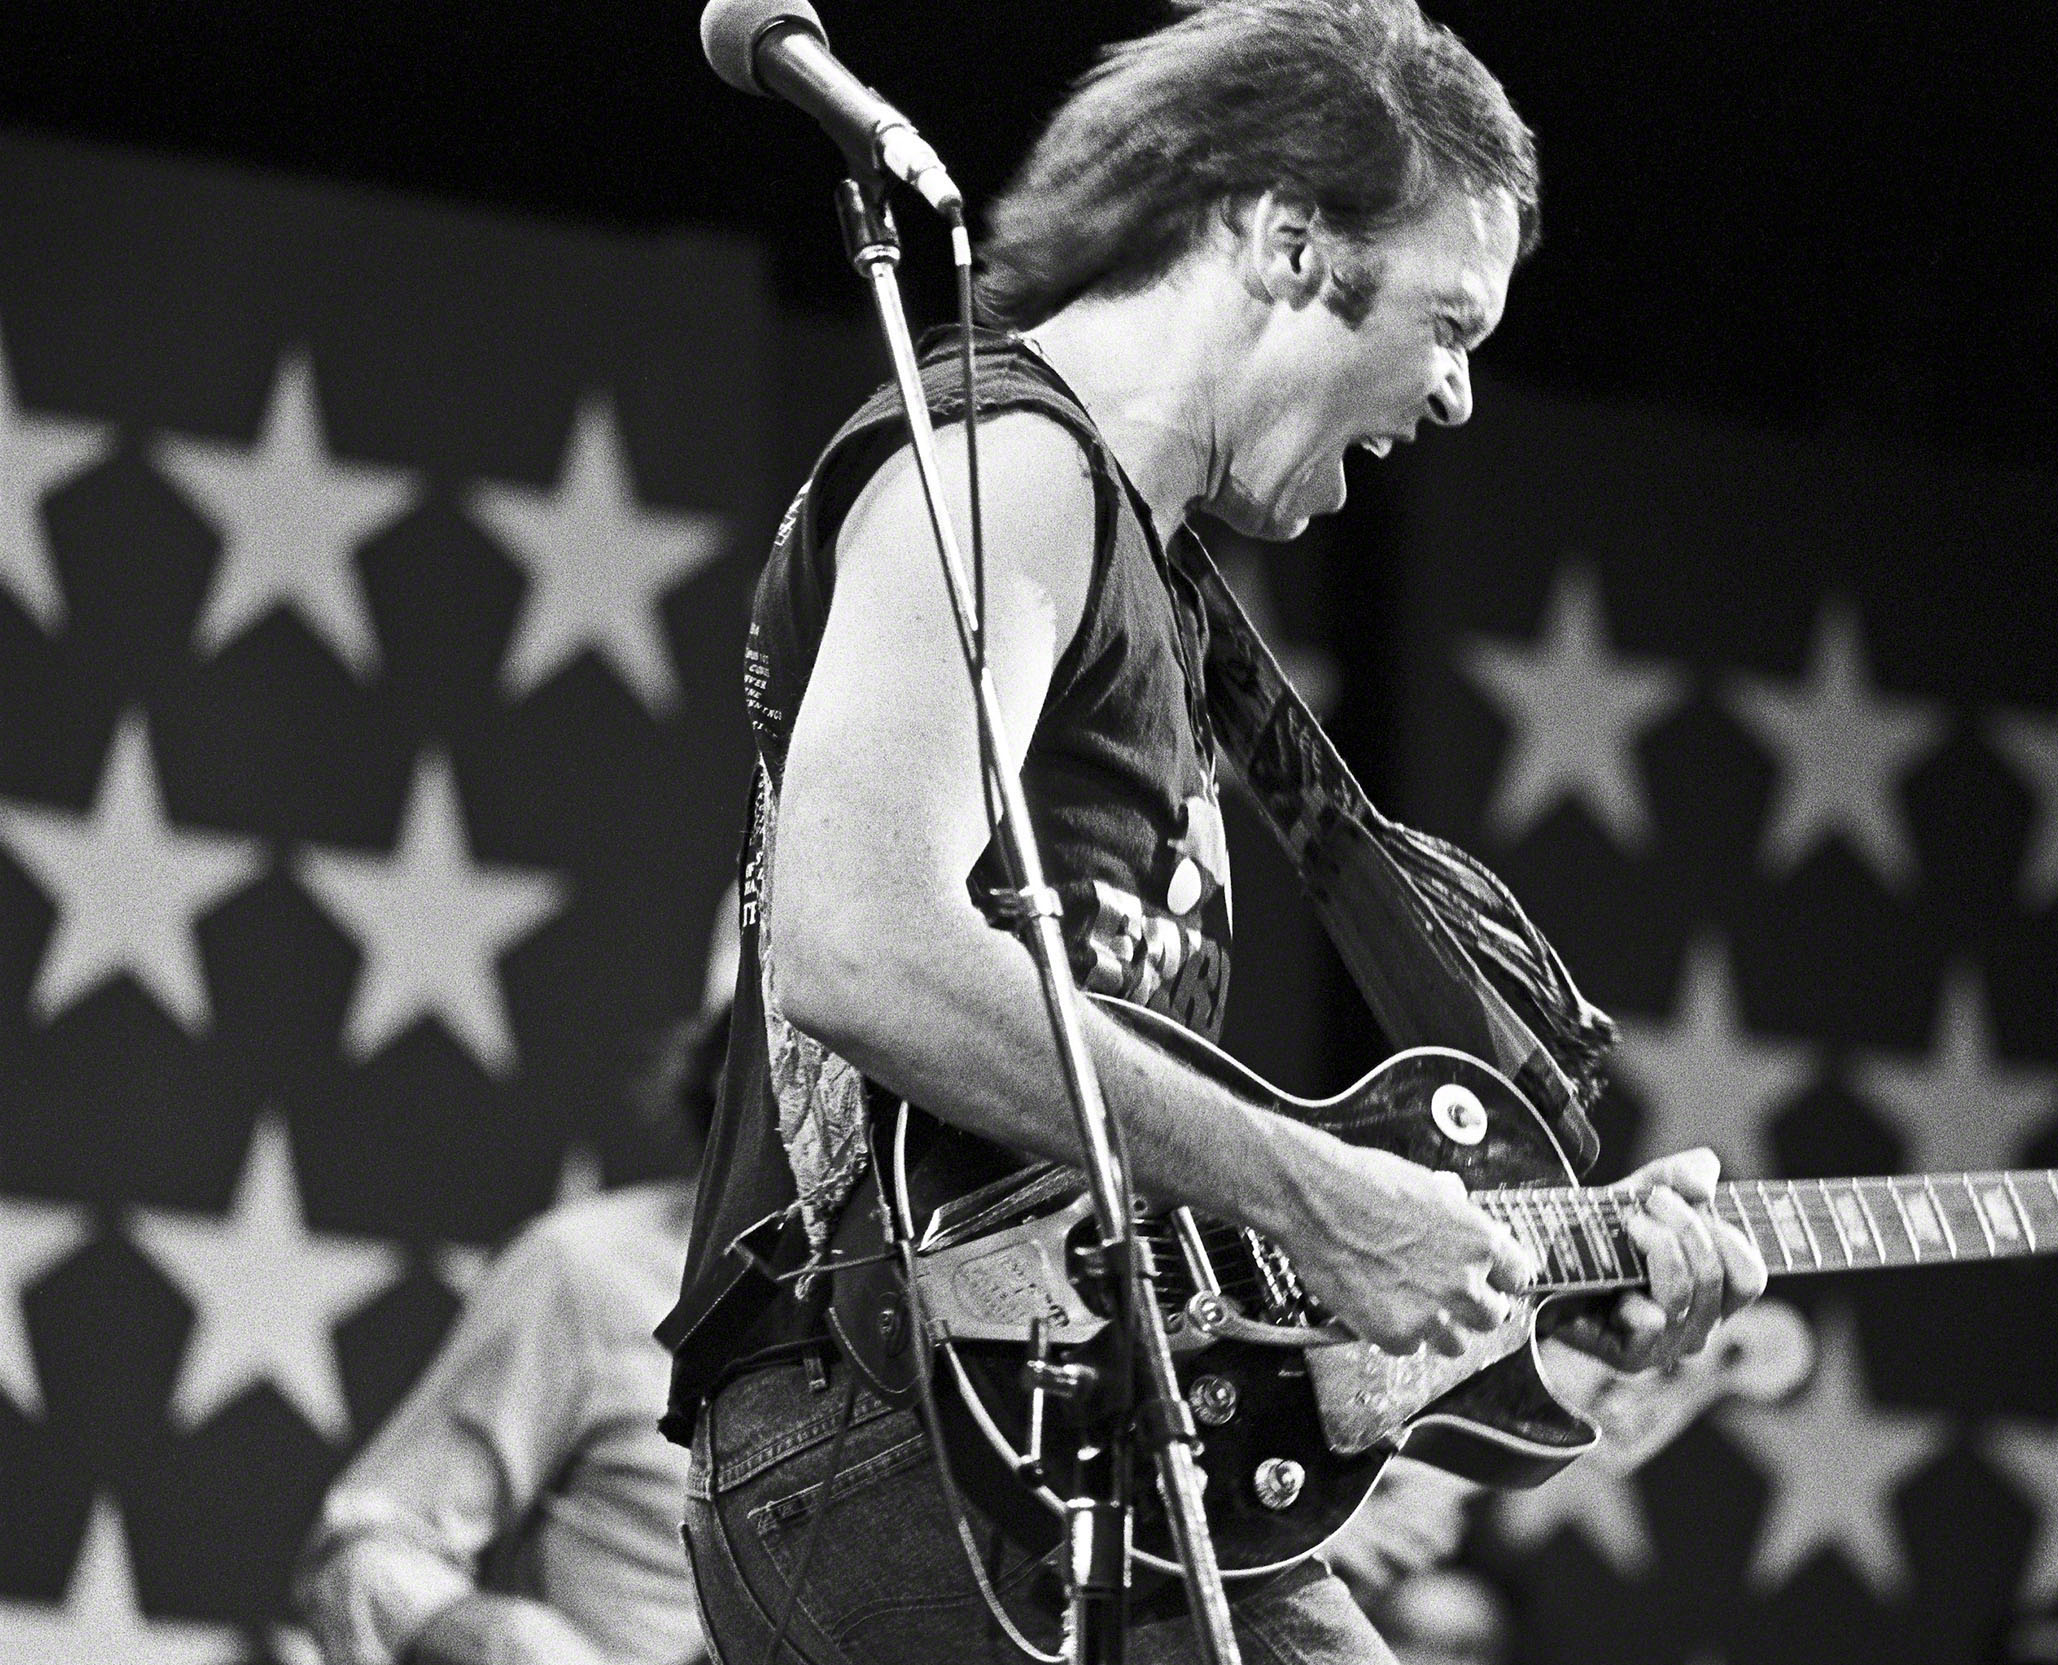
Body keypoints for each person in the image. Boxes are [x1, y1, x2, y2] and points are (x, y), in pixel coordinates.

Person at [664, 4, 1770, 1662]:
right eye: (1448, 320)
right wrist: (1323, 1195)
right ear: (1285, 239)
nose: (1461, 395)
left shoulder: (1155, 584)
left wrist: (1537, 1271)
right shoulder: (1010, 468)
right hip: (909, 1421)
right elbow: (858, 943)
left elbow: (1122, 1207)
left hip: (1053, 1421)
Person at [296, 953, 734, 1665]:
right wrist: (505, 1643)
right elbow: (368, 1549)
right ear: (730, 1067)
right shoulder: (584, 1270)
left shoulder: (964, 1308)